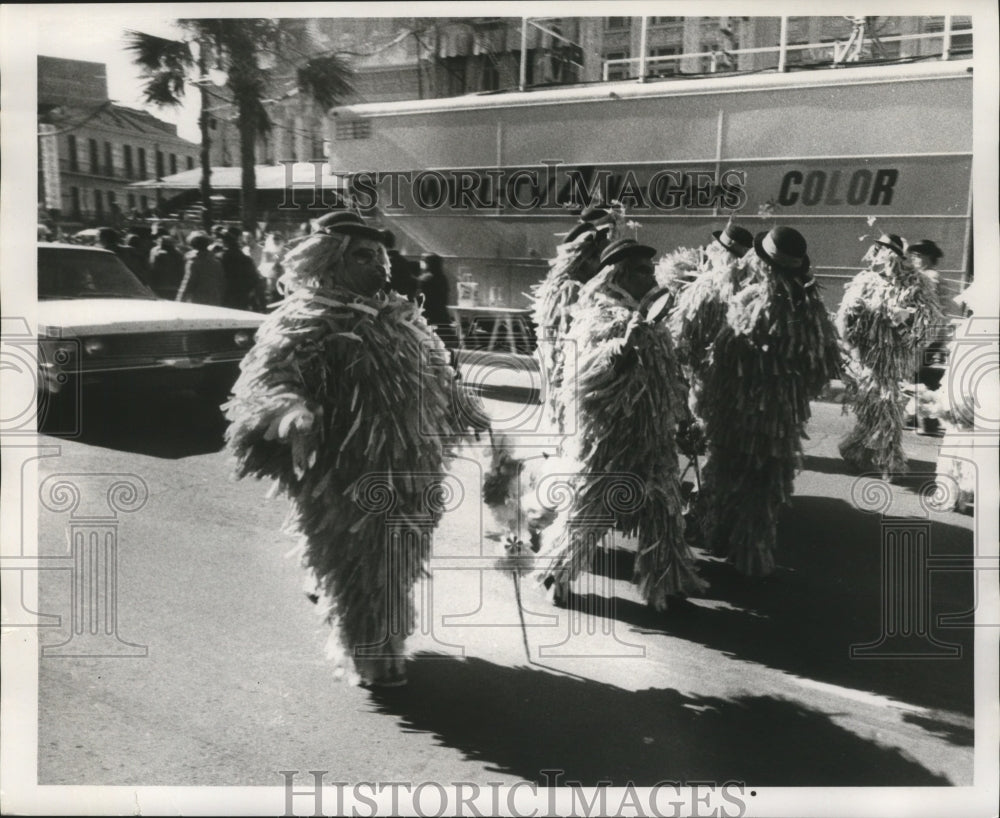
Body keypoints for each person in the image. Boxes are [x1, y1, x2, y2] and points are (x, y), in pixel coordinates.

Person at [224, 211, 491, 688]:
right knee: (363, 566)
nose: (380, 266)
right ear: (331, 260)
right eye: (364, 256)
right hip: (349, 479)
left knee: (398, 558)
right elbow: (272, 383)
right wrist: (292, 414)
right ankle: (373, 656)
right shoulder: (307, 319)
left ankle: (361, 620)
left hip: (412, 474)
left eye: (382, 256)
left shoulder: (405, 319)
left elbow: (441, 378)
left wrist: (470, 415)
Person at [533, 237, 703, 610]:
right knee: (588, 512)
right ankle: (556, 573)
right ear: (620, 276)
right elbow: (584, 378)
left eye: (651, 269)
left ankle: (665, 584)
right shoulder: (597, 317)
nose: (652, 276)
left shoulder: (654, 320)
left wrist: (685, 419)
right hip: (609, 442)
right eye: (643, 271)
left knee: (663, 512)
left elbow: (670, 376)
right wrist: (622, 348)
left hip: (653, 439)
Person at [699, 226, 841, 576]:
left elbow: (724, 355)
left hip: (738, 409)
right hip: (781, 415)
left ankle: (719, 536)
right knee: (764, 484)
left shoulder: (750, 299)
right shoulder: (811, 306)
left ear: (763, 264)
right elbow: (823, 364)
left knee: (727, 471)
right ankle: (751, 553)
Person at [837, 232, 942, 477]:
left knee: (886, 406)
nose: (881, 256)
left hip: (894, 358)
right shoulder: (865, 280)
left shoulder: (915, 282)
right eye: (878, 251)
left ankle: (889, 461)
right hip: (867, 357)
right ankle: (855, 448)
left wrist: (908, 318)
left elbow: (932, 321)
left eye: (887, 252)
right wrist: (854, 313)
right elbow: (845, 322)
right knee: (874, 407)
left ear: (896, 256)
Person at [417, 253, 459, 350]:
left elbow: (420, 296)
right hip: (441, 313)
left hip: (429, 314)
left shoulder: (426, 278)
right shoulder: (442, 277)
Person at [220, 228, 264, 311]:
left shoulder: (223, 258)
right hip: (242, 296)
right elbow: (254, 280)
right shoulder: (245, 258)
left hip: (227, 296)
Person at [176, 231, 225, 305]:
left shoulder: (193, 262)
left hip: (197, 299)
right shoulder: (216, 262)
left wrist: (179, 300)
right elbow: (221, 282)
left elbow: (187, 283)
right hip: (214, 298)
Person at [148, 230, 185, 300]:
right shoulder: (178, 254)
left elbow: (151, 267)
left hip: (159, 285)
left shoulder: (155, 251)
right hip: (173, 286)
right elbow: (181, 271)